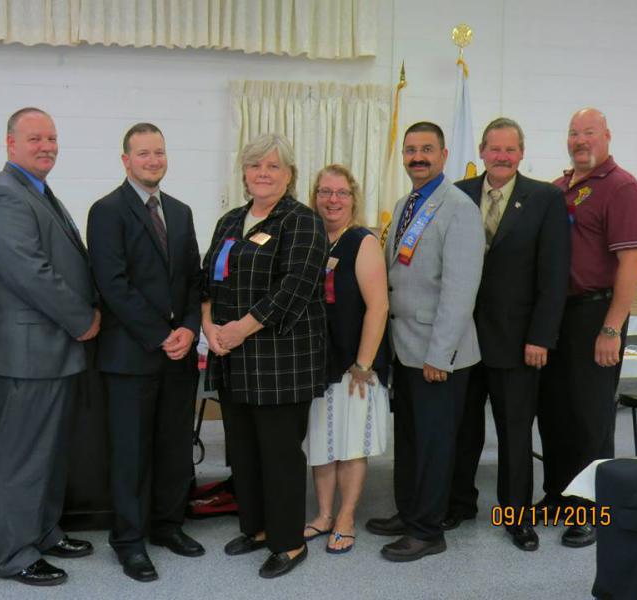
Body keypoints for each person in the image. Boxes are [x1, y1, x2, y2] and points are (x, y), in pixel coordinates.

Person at [0, 107, 100, 586]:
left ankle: (44, 532)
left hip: (50, 354)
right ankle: (14, 554)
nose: (46, 146)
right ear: (10, 144)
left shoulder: (35, 191)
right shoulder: (5, 196)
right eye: (35, 139)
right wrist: (83, 318)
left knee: (48, 456)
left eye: (51, 138)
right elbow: (31, 273)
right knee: (19, 460)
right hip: (24, 357)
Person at [201, 133, 328, 578]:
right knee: (244, 452)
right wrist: (209, 329)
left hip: (281, 362)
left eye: (273, 166)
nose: (263, 173)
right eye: (255, 165)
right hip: (231, 359)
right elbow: (206, 281)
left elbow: (293, 288)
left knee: (278, 454)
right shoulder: (230, 221)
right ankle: (255, 529)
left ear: (289, 175)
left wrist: (238, 329)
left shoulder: (302, 221)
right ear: (244, 173)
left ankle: (289, 542)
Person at [87, 123, 204, 582]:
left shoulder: (181, 211)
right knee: (131, 453)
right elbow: (113, 285)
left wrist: (190, 329)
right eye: (143, 153)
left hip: (178, 354)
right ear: (125, 161)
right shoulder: (107, 211)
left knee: (174, 447)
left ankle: (167, 525)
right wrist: (161, 335)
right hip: (131, 355)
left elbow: (195, 280)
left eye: (159, 152)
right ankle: (129, 541)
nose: (153, 160)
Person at [448, 118, 570, 551]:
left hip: (519, 342)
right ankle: (459, 503)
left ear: (521, 153)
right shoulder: (457, 194)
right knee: (462, 428)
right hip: (461, 337)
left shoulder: (545, 199)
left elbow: (554, 277)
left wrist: (541, 337)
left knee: (515, 433)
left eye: (510, 149)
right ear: (481, 151)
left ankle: (515, 515)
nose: (501, 156)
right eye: (494, 148)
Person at [366, 121, 485, 561]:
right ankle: (410, 511)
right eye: (411, 149)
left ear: (444, 154)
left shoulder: (459, 208)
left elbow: (460, 289)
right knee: (411, 440)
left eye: (427, 149)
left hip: (439, 354)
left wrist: (441, 355)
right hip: (406, 348)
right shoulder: (405, 204)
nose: (418, 157)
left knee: (435, 445)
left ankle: (428, 530)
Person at [538, 107, 637, 548]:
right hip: (556, 316)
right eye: (573, 133)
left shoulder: (622, 189)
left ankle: (591, 511)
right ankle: (558, 497)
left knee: (591, 417)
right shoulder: (560, 188)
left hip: (595, 316)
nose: (580, 140)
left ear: (607, 136)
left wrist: (611, 329)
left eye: (588, 132)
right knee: (554, 412)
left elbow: (632, 263)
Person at [303, 164, 389, 554]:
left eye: (340, 193)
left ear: (353, 198)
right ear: (314, 196)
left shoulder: (362, 241)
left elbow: (378, 307)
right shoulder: (311, 239)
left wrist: (364, 363)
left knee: (351, 443)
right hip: (315, 363)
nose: (332, 199)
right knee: (322, 443)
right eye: (325, 192)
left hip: (354, 365)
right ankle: (323, 515)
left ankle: (346, 516)